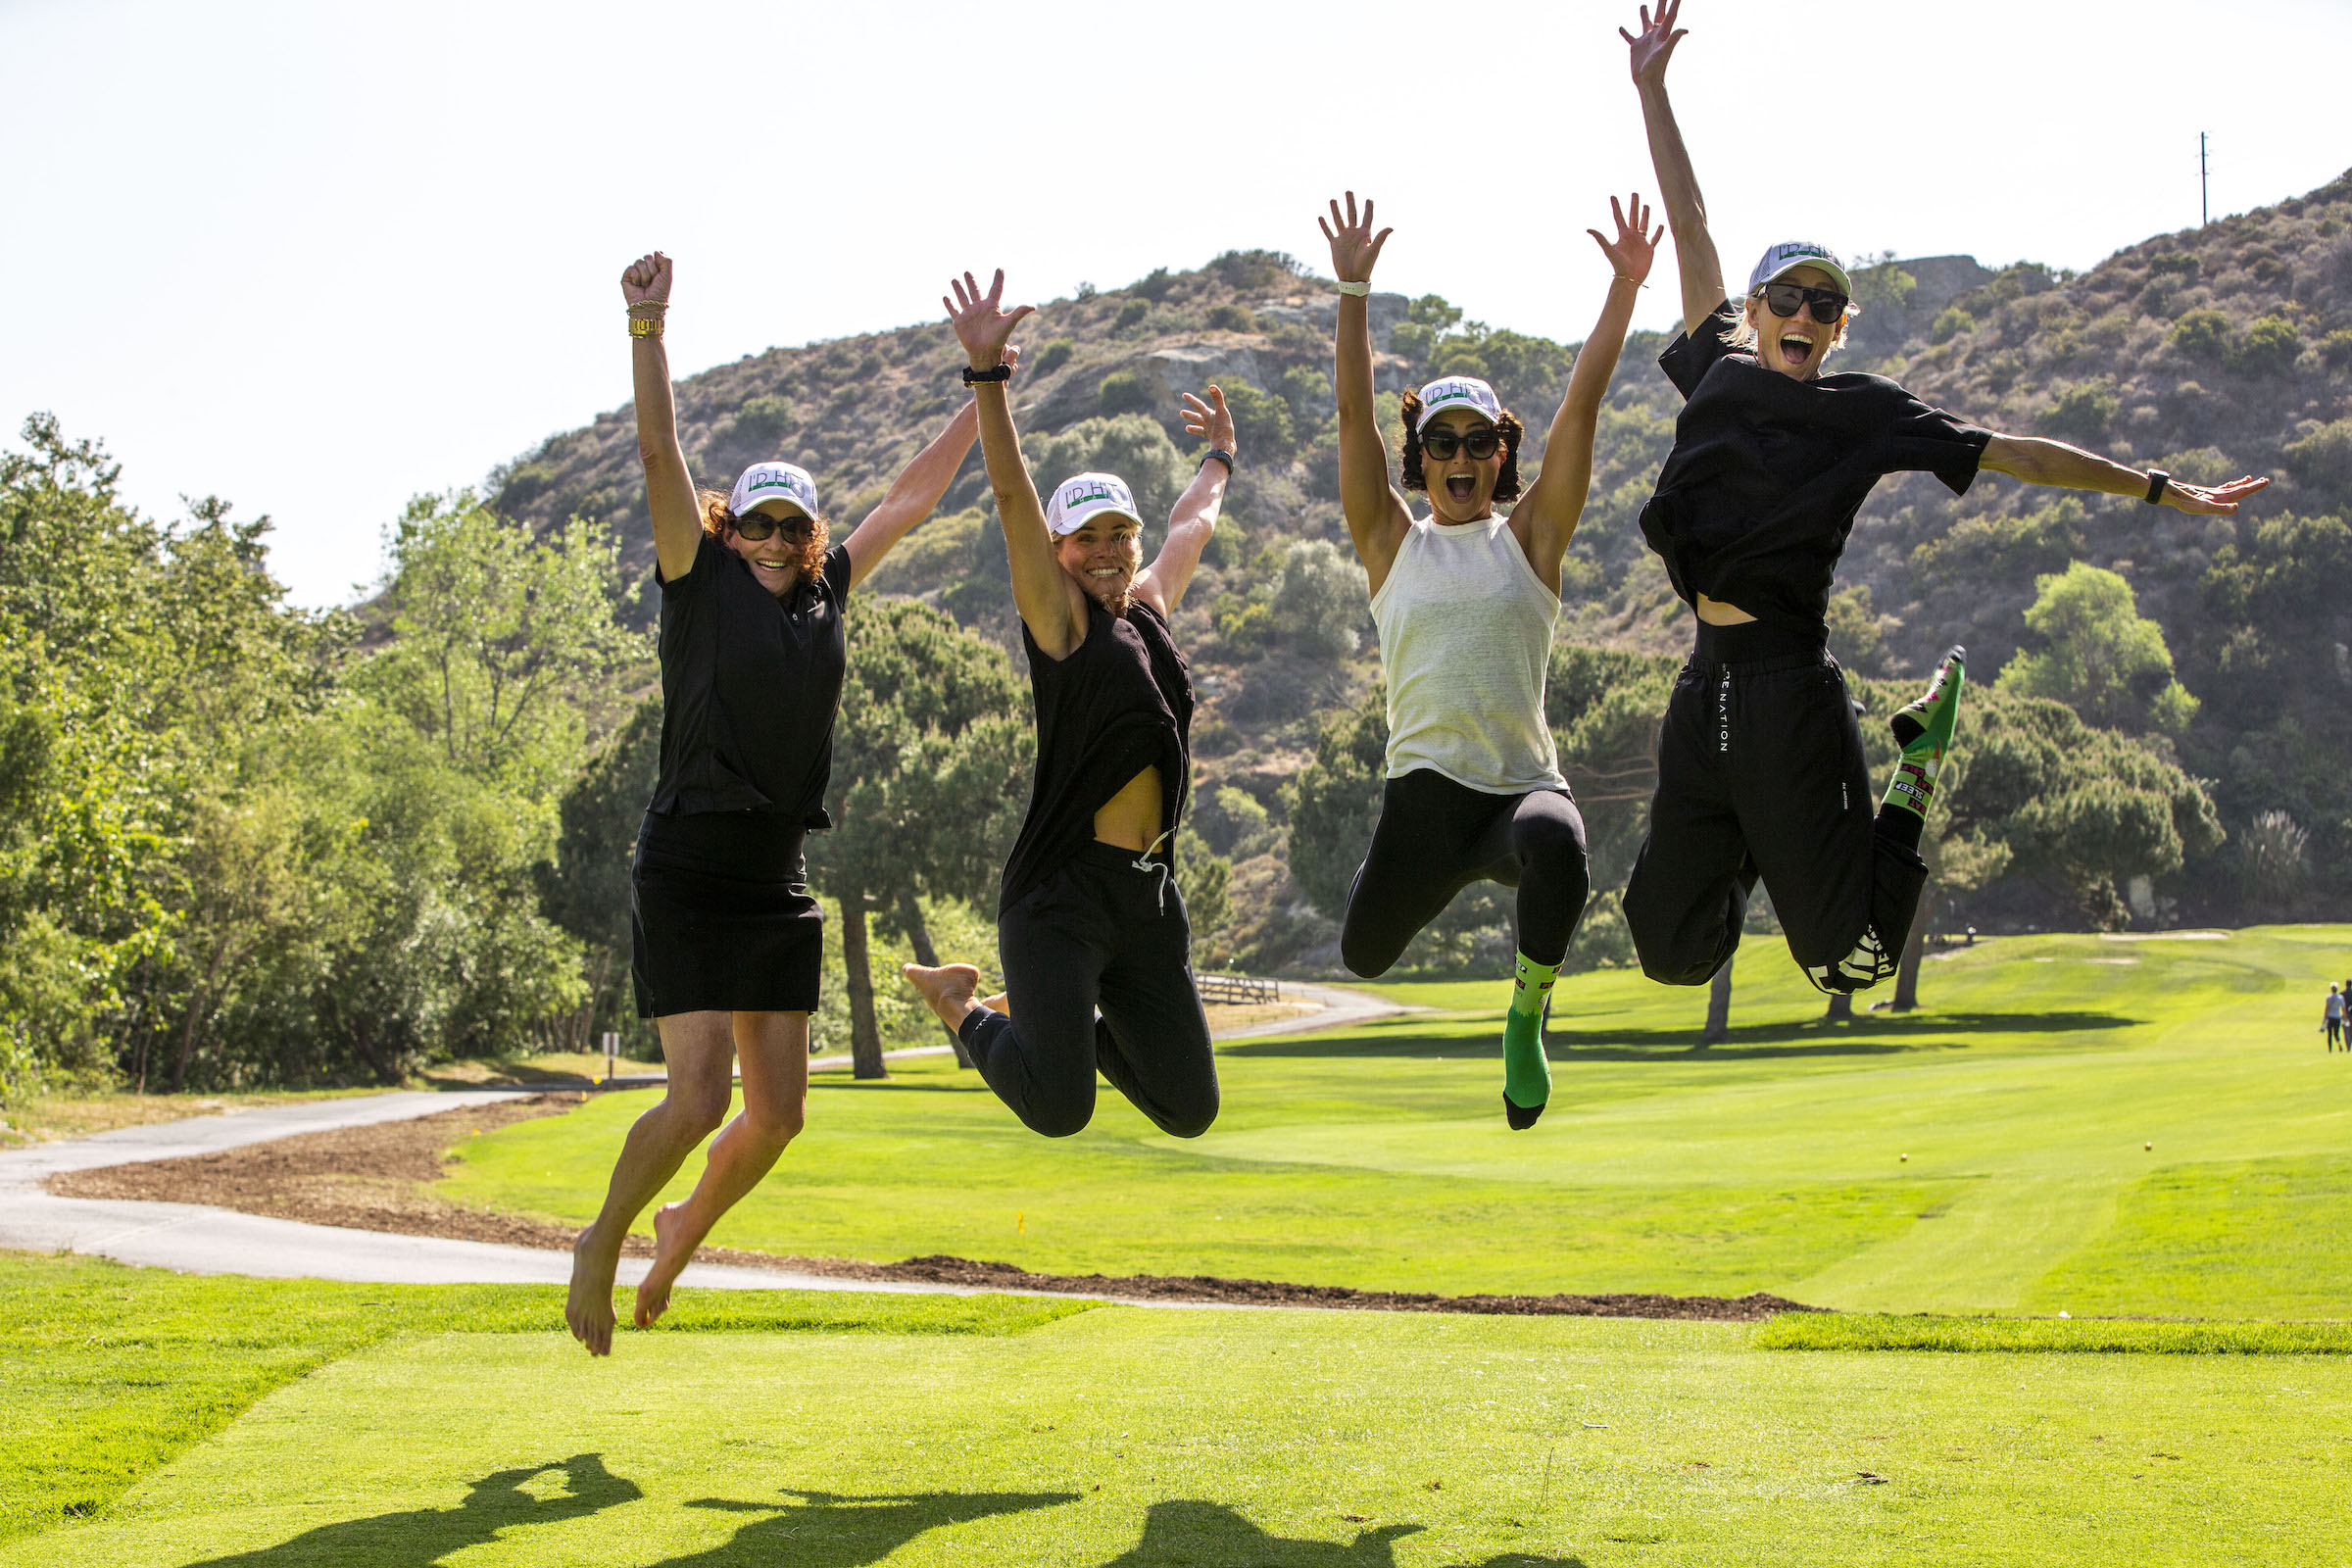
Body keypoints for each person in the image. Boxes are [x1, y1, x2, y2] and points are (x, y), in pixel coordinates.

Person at [1615, 1, 2270, 996]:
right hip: (1702, 687)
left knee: (1856, 961)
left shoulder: (1866, 413)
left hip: (1790, 692)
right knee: (1668, 953)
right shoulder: (1718, 369)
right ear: (1752, 313)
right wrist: (1653, 91)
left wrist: (2154, 486)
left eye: (1823, 305)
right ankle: (1760, 841)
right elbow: (1694, 226)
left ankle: (1915, 760)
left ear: (1839, 328)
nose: (1802, 314)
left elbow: (2015, 454)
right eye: (1784, 298)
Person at [565, 252, 984, 1356]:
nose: (775, 541)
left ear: (807, 537)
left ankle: (682, 1228)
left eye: (792, 527)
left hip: (773, 878)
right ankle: (600, 1239)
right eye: (755, 523)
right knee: (698, 1095)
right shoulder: (693, 583)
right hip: (690, 864)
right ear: (727, 525)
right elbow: (659, 450)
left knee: (783, 1114)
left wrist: (984, 386)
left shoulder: (830, 589)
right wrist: (646, 328)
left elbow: (909, 497)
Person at [1318, 191, 1662, 1129]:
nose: (1461, 457)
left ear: (1501, 454)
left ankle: (1526, 1016)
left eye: (1480, 443)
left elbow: (1581, 406)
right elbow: (1352, 416)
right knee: (1362, 956)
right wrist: (1352, 290)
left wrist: (1624, 291)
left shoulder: (1531, 541)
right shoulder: (1392, 544)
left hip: (1518, 791)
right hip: (1424, 801)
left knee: (1559, 840)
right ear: (1420, 459)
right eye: (1442, 444)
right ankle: (1391, 880)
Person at [903, 269, 1231, 1140]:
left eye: (1119, 533)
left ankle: (1062, 1012)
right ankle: (961, 1008)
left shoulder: (1149, 611)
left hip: (1148, 897)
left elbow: (1190, 527)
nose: (1110, 550)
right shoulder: (1060, 626)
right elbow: (1012, 496)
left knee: (1190, 1108)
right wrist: (987, 380)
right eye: (1087, 538)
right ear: (1059, 550)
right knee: (1060, 1107)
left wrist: (1219, 459)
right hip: (1063, 895)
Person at [2327, 983, 2343, 1052]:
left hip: (2330, 1017)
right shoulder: (2340, 998)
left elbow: (2327, 1008)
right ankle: (2339, 1043)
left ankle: (2330, 1049)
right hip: (2337, 1017)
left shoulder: (2329, 997)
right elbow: (2343, 1008)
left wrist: (2325, 1016)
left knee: (2329, 1034)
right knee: (2336, 1033)